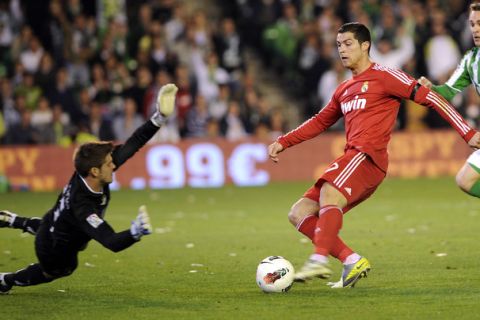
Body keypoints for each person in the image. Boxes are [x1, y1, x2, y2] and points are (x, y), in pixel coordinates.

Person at [268, 22, 480, 288]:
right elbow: (320, 121)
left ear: (365, 45)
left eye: (348, 44)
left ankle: (318, 260)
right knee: (298, 213)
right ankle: (350, 260)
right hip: (352, 158)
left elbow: (431, 98)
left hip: (368, 158)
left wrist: (467, 132)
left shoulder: (386, 76)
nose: (342, 51)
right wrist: (283, 141)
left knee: (328, 194)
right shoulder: (343, 89)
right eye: (338, 45)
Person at [0, 83, 178, 294]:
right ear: (95, 171)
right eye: (109, 163)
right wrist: (134, 233)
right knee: (60, 269)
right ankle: (6, 280)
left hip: (53, 222)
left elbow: (133, 143)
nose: (114, 165)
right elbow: (110, 240)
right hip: (55, 249)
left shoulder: (88, 171)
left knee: (59, 226)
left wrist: (158, 118)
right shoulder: (84, 208)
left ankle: (12, 220)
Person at [418, 2, 480, 201]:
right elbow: (448, 91)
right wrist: (432, 88)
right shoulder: (471, 60)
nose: (475, 29)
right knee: (465, 180)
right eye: (472, 24)